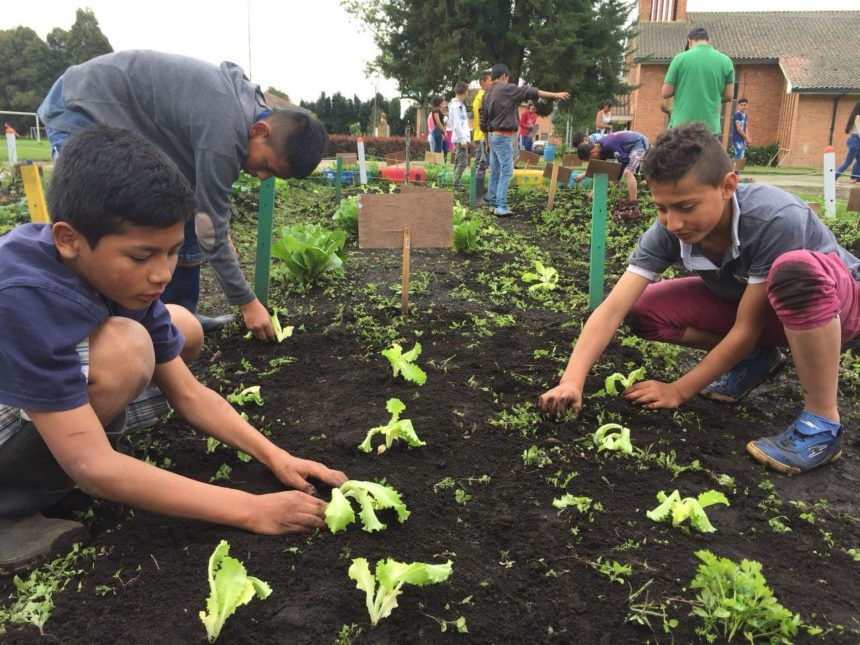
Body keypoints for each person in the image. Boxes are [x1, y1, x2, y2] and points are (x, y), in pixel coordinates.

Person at [0, 127, 347, 574]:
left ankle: (59, 448)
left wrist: (277, 457)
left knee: (181, 326)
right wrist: (249, 509)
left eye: (171, 252)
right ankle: (11, 507)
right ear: (68, 239)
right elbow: (92, 466)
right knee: (125, 352)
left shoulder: (109, 273)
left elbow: (189, 394)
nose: (162, 273)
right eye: (142, 256)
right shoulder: (24, 293)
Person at [539, 122, 859, 475]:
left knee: (793, 273)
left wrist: (678, 389)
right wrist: (572, 380)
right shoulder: (668, 230)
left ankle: (821, 422)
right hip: (762, 312)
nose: (673, 222)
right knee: (644, 311)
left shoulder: (774, 218)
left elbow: (745, 328)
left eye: (686, 207)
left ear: (727, 187)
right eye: (661, 207)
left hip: (836, 312)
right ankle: (757, 360)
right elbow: (613, 308)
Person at [37, 50, 329, 341]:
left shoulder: (251, 110)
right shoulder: (225, 134)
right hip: (83, 105)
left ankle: (177, 316)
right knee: (98, 228)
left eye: (273, 175)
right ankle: (101, 337)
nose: (263, 176)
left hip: (127, 117)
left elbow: (204, 214)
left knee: (183, 209)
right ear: (259, 130)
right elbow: (210, 230)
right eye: (266, 166)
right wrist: (247, 302)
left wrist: (215, 223)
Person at [479, 63, 570, 218]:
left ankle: (493, 202)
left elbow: (483, 121)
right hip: (503, 136)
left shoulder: (487, 94)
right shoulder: (507, 89)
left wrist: (487, 141)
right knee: (506, 171)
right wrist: (554, 95)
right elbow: (530, 91)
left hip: (492, 136)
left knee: (495, 170)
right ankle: (500, 206)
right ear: (504, 76)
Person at [662, 27, 734, 135]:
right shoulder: (726, 61)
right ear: (708, 41)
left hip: (681, 126)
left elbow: (666, 93)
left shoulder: (680, 58)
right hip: (709, 128)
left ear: (689, 41)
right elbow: (729, 96)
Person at [575, 130, 650, 203]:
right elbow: (602, 173)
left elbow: (624, 160)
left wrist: (616, 178)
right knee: (618, 175)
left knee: (628, 172)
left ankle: (633, 203)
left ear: (592, 152)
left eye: (590, 160)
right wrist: (594, 191)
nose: (593, 161)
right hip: (628, 148)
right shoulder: (600, 151)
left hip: (639, 142)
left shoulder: (608, 144)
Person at [472, 70, 493, 206]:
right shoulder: (482, 98)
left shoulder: (481, 96)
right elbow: (483, 121)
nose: (492, 83)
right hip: (482, 136)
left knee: (482, 165)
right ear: (483, 82)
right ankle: (477, 197)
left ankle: (479, 195)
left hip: (481, 136)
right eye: (490, 81)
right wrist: (486, 140)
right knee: (481, 165)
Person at [448, 81, 471, 188]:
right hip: (460, 138)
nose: (468, 93)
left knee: (458, 161)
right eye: (467, 91)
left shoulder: (461, 105)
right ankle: (456, 184)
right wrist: (463, 139)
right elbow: (457, 124)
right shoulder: (456, 106)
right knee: (463, 162)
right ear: (464, 91)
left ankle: (455, 183)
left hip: (461, 138)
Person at [835, 101, 860, 183]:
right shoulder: (858, 117)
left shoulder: (855, 116)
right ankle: (834, 177)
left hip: (855, 139)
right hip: (856, 140)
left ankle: (854, 178)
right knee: (848, 161)